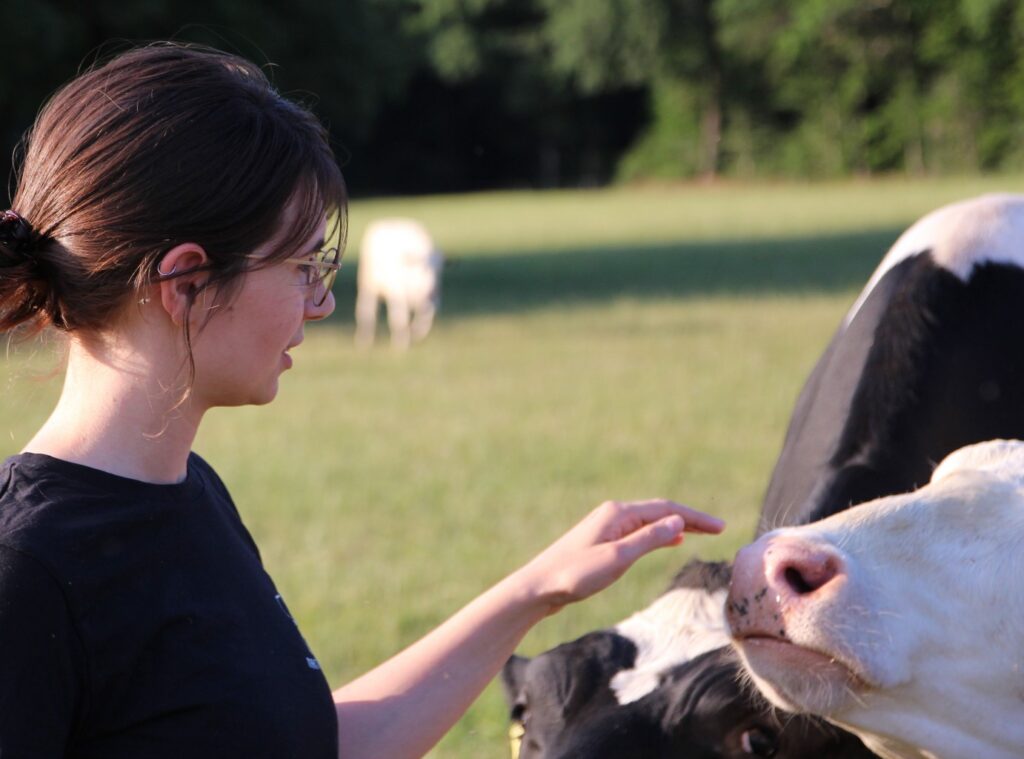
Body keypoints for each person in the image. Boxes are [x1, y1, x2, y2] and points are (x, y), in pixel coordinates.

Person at [0, 42, 725, 759]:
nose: (322, 302)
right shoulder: (24, 572)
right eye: (301, 265)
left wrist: (537, 589)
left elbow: (296, 742)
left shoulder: (191, 494)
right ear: (185, 282)